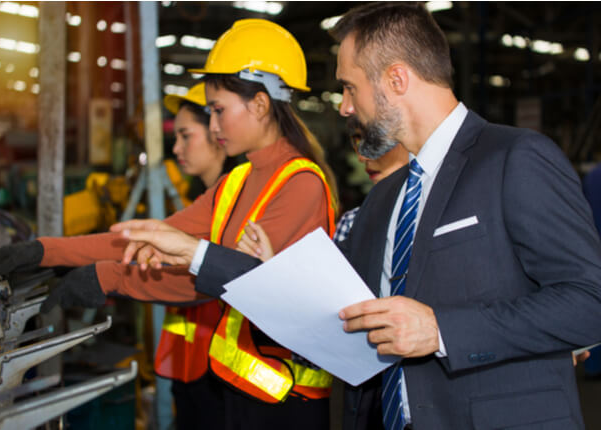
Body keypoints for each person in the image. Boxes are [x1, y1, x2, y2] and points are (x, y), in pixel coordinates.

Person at [113, 4, 601, 430]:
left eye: (349, 87)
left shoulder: (512, 158)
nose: (345, 107)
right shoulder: (386, 198)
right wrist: (199, 255)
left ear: (396, 79)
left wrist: (441, 331)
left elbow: (589, 301)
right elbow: (333, 311)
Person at [0, 18, 339, 430]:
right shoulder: (236, 182)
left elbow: (230, 280)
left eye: (219, 111)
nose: (214, 126)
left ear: (259, 104)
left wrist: (108, 278)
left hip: (286, 403)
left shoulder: (300, 185)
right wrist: (46, 251)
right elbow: (151, 236)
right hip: (238, 390)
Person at [236, 116, 408, 261]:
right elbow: (333, 297)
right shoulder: (352, 225)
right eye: (357, 141)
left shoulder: (304, 182)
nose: (362, 156)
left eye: (376, 141)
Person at [159, 82, 230, 430]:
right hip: (189, 370)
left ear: (218, 133)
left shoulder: (237, 210)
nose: (176, 148)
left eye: (186, 136)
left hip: (221, 381)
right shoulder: (198, 201)